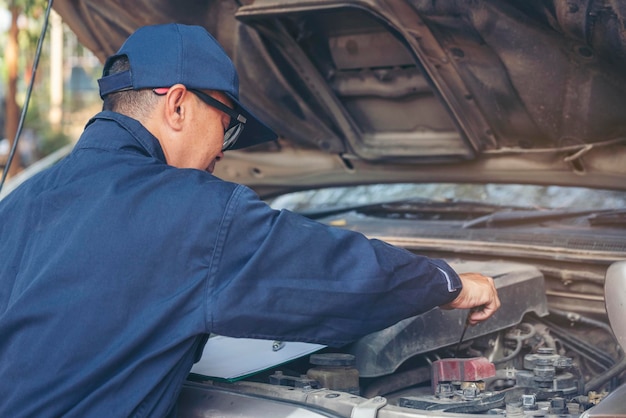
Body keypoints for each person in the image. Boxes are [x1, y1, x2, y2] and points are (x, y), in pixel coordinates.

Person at [0, 23, 500, 417]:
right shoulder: (190, 211)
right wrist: (448, 282)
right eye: (226, 125)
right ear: (177, 104)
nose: (223, 151)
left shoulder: (21, 203)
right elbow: (334, 274)